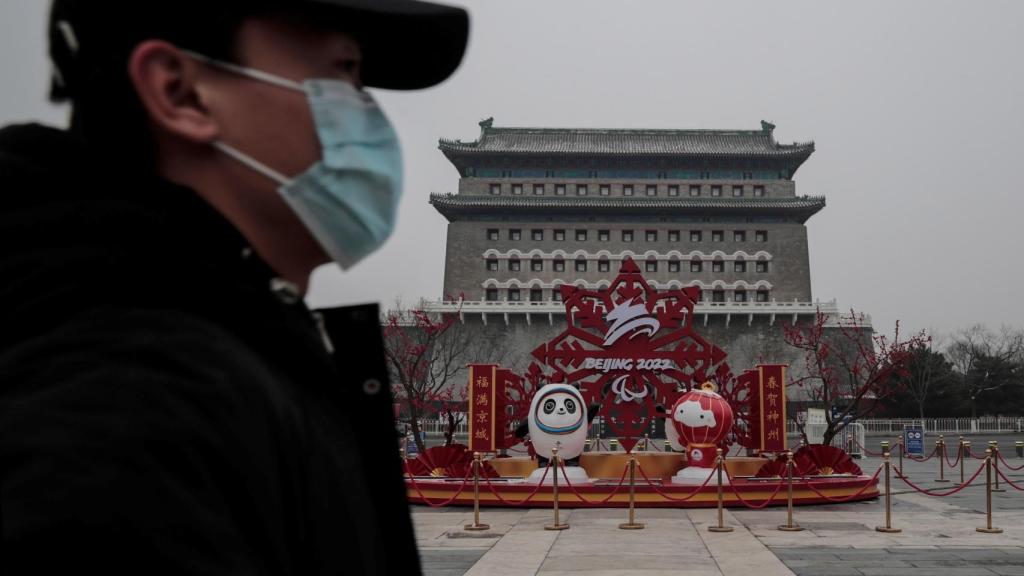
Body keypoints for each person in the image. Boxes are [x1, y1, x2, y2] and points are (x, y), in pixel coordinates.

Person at [0, 0, 469, 573]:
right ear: (181, 93)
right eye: (344, 72)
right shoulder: (129, 412)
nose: (368, 114)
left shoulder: (239, 354)